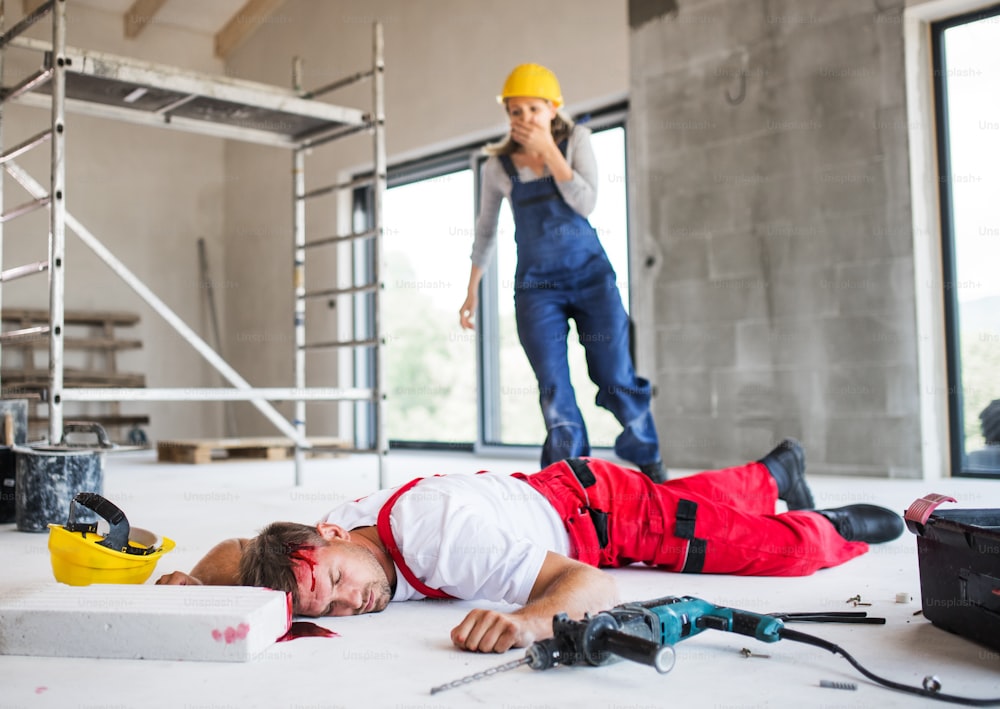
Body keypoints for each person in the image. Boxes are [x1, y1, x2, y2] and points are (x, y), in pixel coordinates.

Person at [156, 439, 904, 654]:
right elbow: (240, 551)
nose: (357, 600)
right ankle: (771, 471)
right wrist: (195, 576)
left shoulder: (439, 538)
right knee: (700, 503)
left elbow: (588, 583)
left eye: (342, 582)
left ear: (328, 537)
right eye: (337, 605)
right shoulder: (318, 546)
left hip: (599, 513)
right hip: (549, 485)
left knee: (758, 549)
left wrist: (529, 622)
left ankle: (828, 520)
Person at [457, 63, 665, 482]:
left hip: (592, 280)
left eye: (533, 109)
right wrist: (471, 292)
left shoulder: (576, 142)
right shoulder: (497, 167)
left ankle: (647, 453)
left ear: (553, 109)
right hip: (537, 288)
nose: (524, 119)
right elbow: (486, 231)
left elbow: (585, 202)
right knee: (553, 385)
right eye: (515, 112)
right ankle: (573, 476)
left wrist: (550, 153)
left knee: (614, 374)